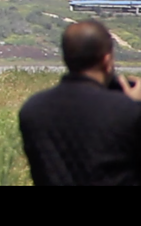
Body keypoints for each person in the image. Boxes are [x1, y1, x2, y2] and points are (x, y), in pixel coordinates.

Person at [19, 19, 141, 185]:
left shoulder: (32, 110)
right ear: (107, 61)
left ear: (66, 58)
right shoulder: (127, 112)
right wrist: (133, 106)